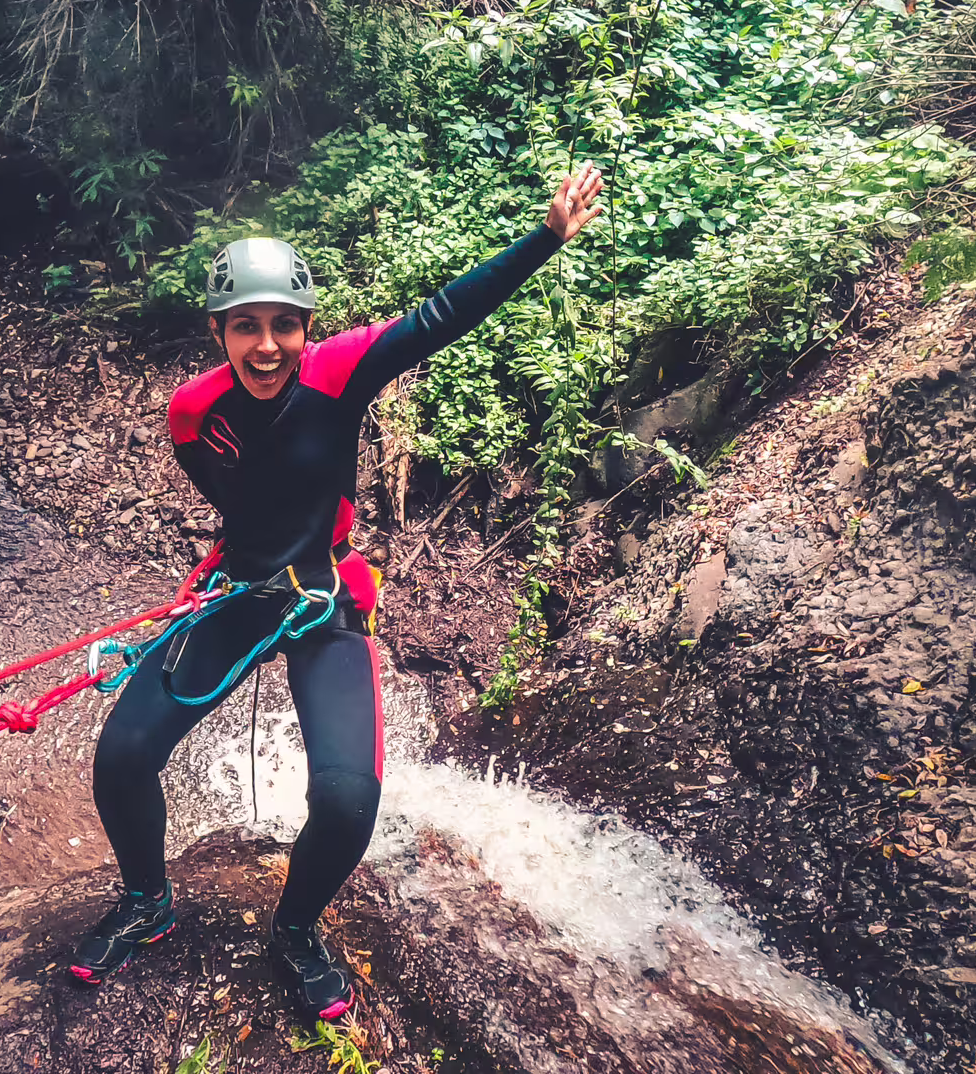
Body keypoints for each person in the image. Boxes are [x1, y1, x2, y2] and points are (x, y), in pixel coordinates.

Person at [70, 163, 605, 1022]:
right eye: (246, 326)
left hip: (324, 604)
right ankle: (147, 904)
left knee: (349, 798)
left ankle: (293, 930)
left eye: (284, 324)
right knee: (123, 756)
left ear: (307, 328)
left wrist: (544, 237)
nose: (268, 344)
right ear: (219, 332)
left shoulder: (340, 372)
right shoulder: (191, 415)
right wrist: (239, 571)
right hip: (240, 595)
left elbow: (443, 314)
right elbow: (246, 506)